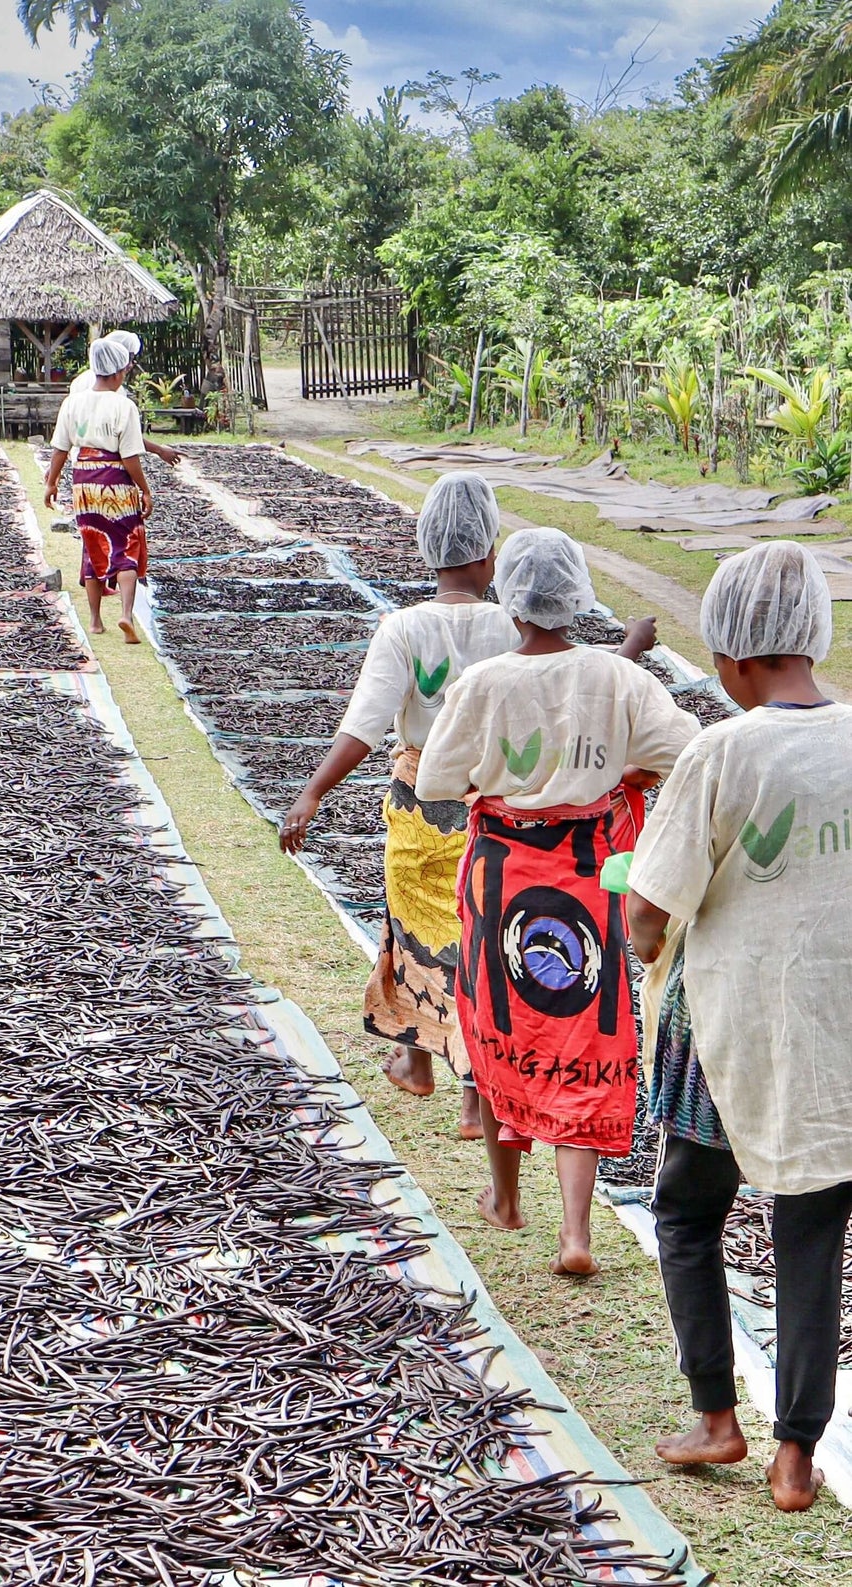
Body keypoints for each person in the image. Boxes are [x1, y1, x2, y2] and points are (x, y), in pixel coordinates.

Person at [625, 542, 851, 1514]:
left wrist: (647, 935)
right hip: (835, 1029)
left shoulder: (719, 751)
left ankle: (714, 1417)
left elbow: (645, 918)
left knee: (684, 1209)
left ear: (729, 657)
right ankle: (794, 1459)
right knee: (809, 1228)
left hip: (722, 1026)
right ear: (810, 637)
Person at [415, 527, 695, 1276]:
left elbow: (437, 780)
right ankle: (576, 1233)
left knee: (502, 1021)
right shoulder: (618, 678)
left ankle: (505, 1201)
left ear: (511, 604)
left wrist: (496, 784)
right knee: (583, 1034)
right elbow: (685, 751)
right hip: (588, 876)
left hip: (502, 874)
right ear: (576, 600)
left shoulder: (484, 683)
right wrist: (622, 768)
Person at [280, 474, 516, 1141]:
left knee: (417, 936)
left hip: (420, 808)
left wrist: (313, 790)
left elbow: (365, 724)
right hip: (491, 815)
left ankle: (428, 1068)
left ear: (429, 549)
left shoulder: (403, 629)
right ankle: (458, 1086)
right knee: (478, 945)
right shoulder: (511, 627)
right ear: (488, 552)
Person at [44, 335, 154, 644]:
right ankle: (126, 614)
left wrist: (52, 483)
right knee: (128, 543)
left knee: (92, 543)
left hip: (84, 481)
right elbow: (130, 455)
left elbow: (60, 448)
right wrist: (144, 489)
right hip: (115, 479)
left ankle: (94, 621)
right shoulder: (124, 406)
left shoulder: (73, 402)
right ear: (119, 372)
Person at [70, 332, 182, 466]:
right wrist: (160, 451)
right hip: (107, 465)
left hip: (82, 463)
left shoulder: (81, 380)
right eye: (129, 358)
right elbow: (123, 437)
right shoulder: (115, 393)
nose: (131, 364)